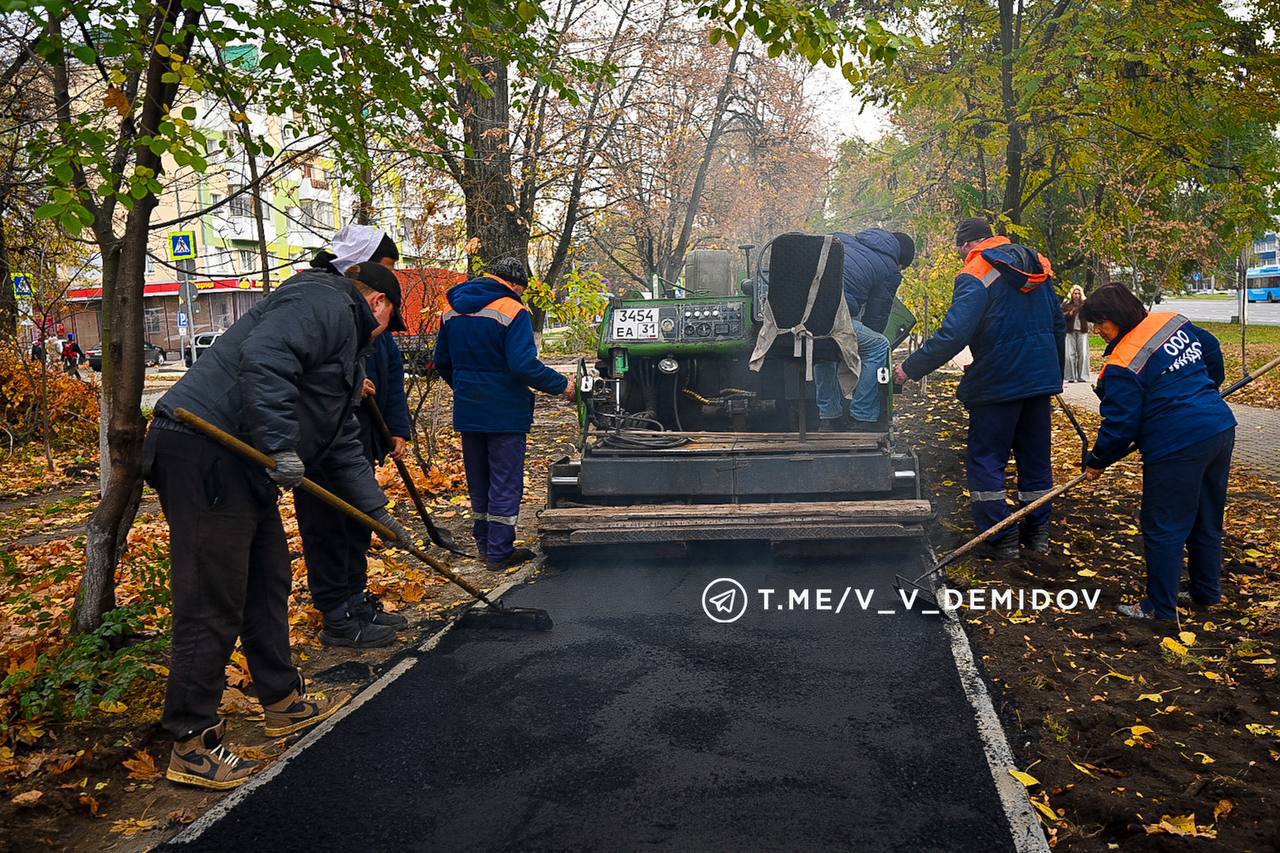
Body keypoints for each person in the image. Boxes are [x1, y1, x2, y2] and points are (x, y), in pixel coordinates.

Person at [145, 251, 414, 789]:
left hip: (245, 462)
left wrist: (378, 511)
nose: (385, 336)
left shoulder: (345, 346)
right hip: (203, 451)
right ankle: (191, 741)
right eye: (390, 324)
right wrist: (280, 445)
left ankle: (281, 699)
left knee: (268, 579)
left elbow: (339, 440)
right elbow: (265, 359)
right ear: (378, 303)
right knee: (212, 600)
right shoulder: (324, 301)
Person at [894, 217, 1065, 558]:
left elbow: (954, 334)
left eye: (960, 250)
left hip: (998, 383)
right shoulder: (1036, 264)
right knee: (1036, 460)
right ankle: (1038, 533)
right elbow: (1057, 324)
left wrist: (908, 369)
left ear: (967, 244)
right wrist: (1051, 374)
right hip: (1037, 381)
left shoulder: (975, 273)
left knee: (987, 457)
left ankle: (1001, 538)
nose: (961, 257)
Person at [1080, 285, 1235, 621]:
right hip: (1219, 429)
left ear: (1117, 318)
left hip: (1177, 443)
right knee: (1207, 517)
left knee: (1163, 525)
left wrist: (1096, 460)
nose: (1096, 330)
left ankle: (1160, 609)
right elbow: (1211, 348)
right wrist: (1206, 390)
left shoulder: (1123, 363)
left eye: (1099, 323)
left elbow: (1120, 425)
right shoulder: (1171, 323)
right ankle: (1206, 591)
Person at [294, 225, 414, 649]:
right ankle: (337, 614)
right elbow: (291, 366)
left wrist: (397, 429)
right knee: (327, 526)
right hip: (319, 439)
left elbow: (393, 372)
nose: (385, 274)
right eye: (383, 266)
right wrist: (342, 379)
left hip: (357, 436)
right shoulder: (318, 300)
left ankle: (355, 599)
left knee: (357, 523)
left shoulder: (366, 314)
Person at [433, 257, 575, 570]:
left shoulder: (451, 309)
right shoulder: (513, 310)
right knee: (504, 481)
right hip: (504, 411)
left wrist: (466, 388)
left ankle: (485, 545)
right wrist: (564, 385)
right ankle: (499, 552)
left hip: (469, 410)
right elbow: (523, 365)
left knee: (479, 480)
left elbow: (441, 361)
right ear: (514, 284)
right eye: (521, 290)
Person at [813, 229, 916, 431]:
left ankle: (829, 416)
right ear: (899, 261)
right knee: (879, 346)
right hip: (834, 316)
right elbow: (875, 318)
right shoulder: (890, 268)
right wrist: (857, 349)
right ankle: (863, 416)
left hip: (800, 316)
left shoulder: (845, 240)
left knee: (822, 350)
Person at [1063, 285, 1090, 382]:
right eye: (1075, 293)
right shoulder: (1066, 304)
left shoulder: (1085, 304)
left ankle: (1082, 376)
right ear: (1072, 294)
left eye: (1078, 293)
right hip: (1070, 331)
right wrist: (1069, 313)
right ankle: (1070, 376)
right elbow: (1061, 315)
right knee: (1069, 355)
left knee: (1083, 353)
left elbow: (1090, 314)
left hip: (1082, 331)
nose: (1077, 295)